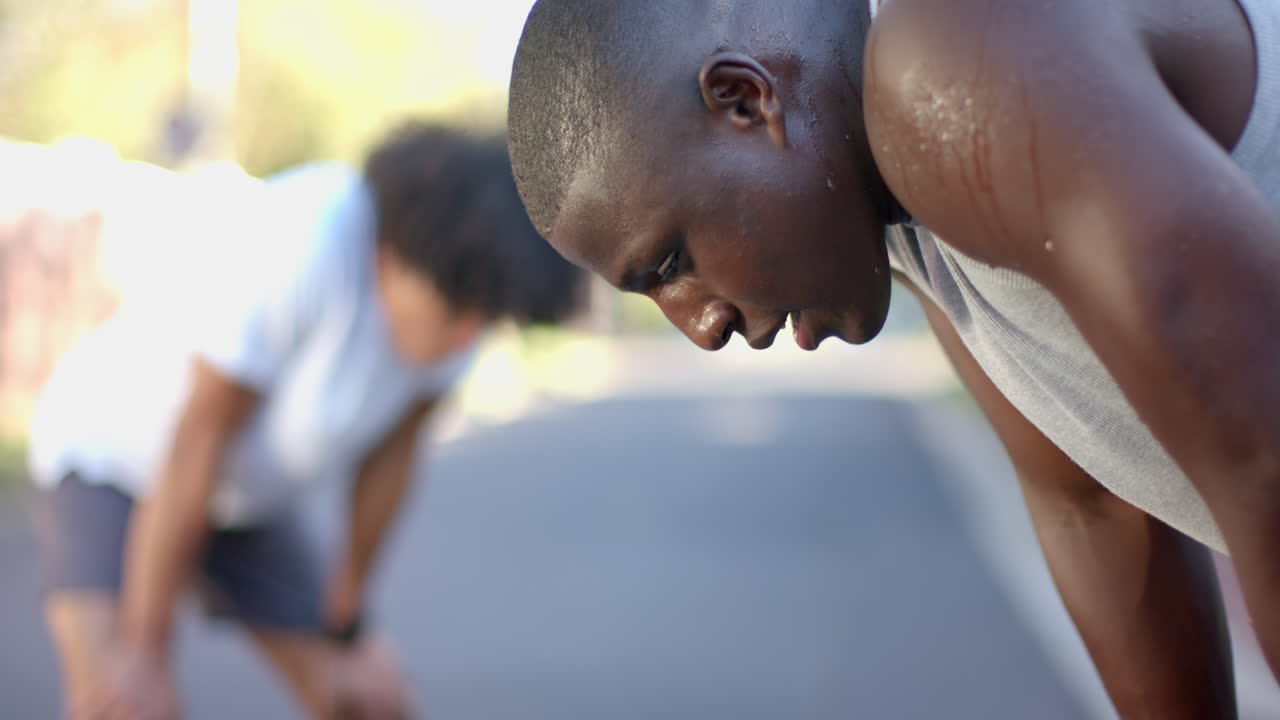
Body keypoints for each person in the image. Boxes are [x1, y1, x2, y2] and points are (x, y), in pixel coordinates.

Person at [507, 0, 1280, 716]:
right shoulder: (908, 208)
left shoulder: (954, 63)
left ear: (746, 100)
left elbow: (1265, 440)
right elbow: (1092, 502)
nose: (699, 328)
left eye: (669, 264)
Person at [29, 122, 582, 719]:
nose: (466, 338)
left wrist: (348, 621)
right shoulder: (306, 242)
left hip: (239, 498)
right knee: (123, 703)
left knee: (369, 698)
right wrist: (146, 651)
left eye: (485, 320)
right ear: (390, 258)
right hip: (111, 456)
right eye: (455, 315)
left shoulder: (464, 292)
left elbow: (390, 464)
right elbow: (197, 444)